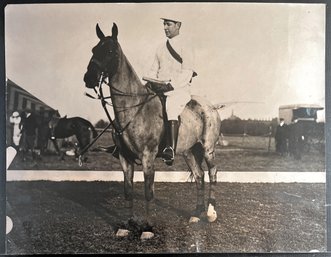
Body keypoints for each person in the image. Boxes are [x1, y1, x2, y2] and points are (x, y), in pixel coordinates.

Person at [146, 16, 197, 164]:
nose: (165, 27)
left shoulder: (186, 46)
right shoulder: (160, 48)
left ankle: (170, 149)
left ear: (178, 25)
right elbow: (153, 69)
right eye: (164, 24)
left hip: (178, 90)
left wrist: (170, 86)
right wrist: (149, 81)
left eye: (168, 24)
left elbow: (187, 72)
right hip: (159, 88)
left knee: (171, 107)